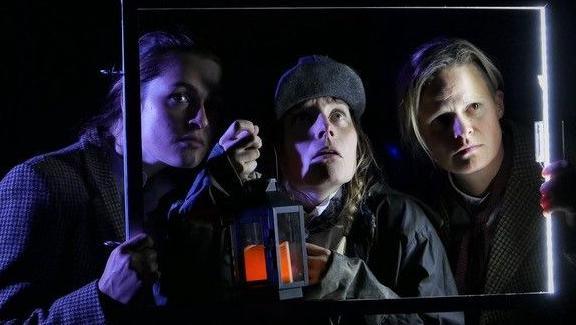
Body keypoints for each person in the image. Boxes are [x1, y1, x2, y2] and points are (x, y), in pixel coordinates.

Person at [0, 31, 223, 323]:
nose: (201, 120)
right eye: (180, 97)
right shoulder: (40, 181)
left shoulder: (169, 195)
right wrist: (103, 296)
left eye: (209, 103)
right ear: (127, 98)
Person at [396, 37, 576, 323]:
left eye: (474, 107)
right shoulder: (409, 208)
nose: (461, 130)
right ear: (419, 135)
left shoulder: (563, 171)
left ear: (499, 104)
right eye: (442, 119)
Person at [272, 55, 461, 324]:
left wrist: (353, 286)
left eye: (337, 115)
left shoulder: (402, 223)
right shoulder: (253, 226)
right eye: (304, 118)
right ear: (280, 148)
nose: (325, 128)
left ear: (358, 141)